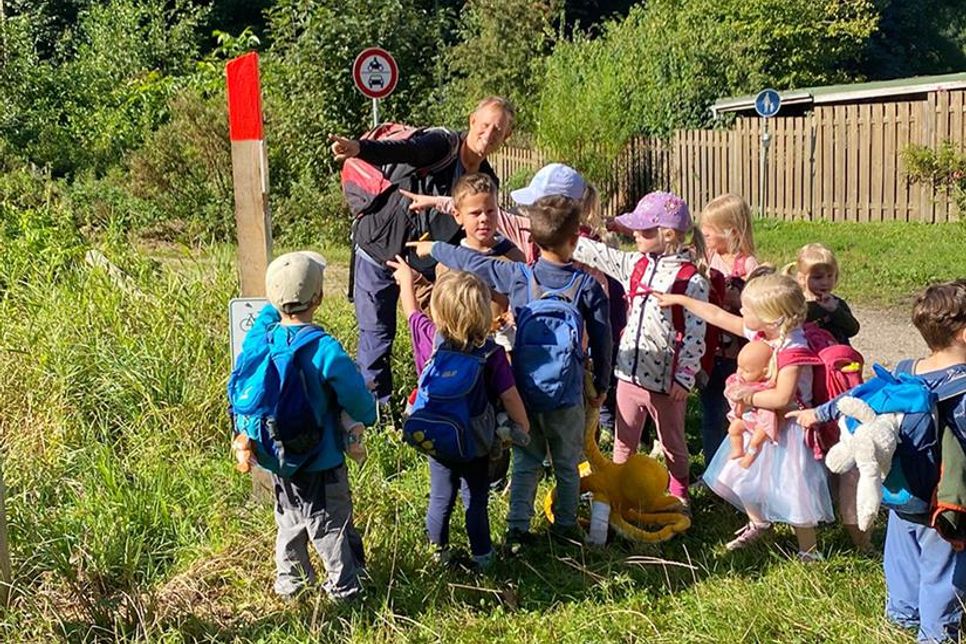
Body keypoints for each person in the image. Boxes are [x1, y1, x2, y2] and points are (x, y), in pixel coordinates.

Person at [408, 195, 612, 548]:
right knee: (566, 462)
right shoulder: (588, 287)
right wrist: (603, 384)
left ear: (531, 240)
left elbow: (470, 260)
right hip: (568, 393)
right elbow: (604, 339)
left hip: (524, 387)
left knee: (526, 460)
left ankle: (517, 526)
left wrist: (435, 249)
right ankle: (564, 527)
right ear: (575, 240)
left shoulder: (519, 277)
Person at [789, 280, 966, 642]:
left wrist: (817, 414)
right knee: (944, 571)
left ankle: (902, 615)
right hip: (942, 502)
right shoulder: (961, 389)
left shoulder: (905, 370)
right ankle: (936, 634)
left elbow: (856, 397)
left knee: (902, 556)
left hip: (899, 491)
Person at [329, 97, 515, 409]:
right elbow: (407, 150)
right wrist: (359, 148)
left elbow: (481, 230)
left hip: (425, 264)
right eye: (485, 125)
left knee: (443, 335)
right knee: (377, 338)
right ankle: (377, 417)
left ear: (506, 137)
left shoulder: (486, 181)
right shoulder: (442, 146)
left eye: (498, 130)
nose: (489, 134)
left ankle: (434, 406)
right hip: (378, 249)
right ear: (472, 121)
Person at [657, 273, 834, 560]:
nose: (740, 311)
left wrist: (745, 396)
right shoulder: (765, 334)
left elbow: (782, 398)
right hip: (756, 424)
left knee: (793, 489)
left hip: (786, 430)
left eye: (748, 310)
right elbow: (717, 315)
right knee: (741, 476)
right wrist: (681, 300)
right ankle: (760, 522)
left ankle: (809, 550)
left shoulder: (792, 349)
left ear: (773, 319)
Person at [249, 251, 377, 601]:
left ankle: (291, 584)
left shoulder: (265, 341)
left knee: (289, 521)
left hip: (279, 457)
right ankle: (344, 588)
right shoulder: (324, 348)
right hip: (322, 458)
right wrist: (369, 416)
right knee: (329, 522)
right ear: (318, 298)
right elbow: (355, 396)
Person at [387, 260, 530, 570]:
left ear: (438, 312)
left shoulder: (430, 339)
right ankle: (483, 557)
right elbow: (509, 394)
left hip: (436, 437)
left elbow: (411, 311)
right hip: (476, 442)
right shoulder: (491, 355)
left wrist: (406, 281)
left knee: (440, 497)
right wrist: (523, 425)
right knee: (475, 499)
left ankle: (436, 552)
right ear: (482, 313)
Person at [571, 191, 709, 504]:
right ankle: (621, 491)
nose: (635, 234)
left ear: (668, 234)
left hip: (666, 385)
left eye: (643, 230)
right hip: (628, 376)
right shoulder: (636, 264)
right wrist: (558, 233)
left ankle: (679, 494)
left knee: (673, 444)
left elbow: (694, 335)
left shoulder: (690, 281)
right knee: (623, 441)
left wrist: (684, 379)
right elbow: (599, 254)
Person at [696, 193, 760, 469]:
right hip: (709, 350)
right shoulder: (708, 258)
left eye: (708, 233)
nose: (704, 236)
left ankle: (739, 467)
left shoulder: (747, 265)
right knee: (710, 413)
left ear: (730, 232)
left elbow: (760, 302)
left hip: (738, 356)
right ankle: (713, 470)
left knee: (737, 414)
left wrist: (739, 297)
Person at [434, 172, 525, 351]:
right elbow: (442, 316)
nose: (484, 218)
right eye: (475, 213)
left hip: (506, 354)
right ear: (457, 215)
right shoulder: (448, 264)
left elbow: (522, 304)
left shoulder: (513, 257)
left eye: (490, 211)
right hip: (463, 353)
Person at [786, 243, 860, 346]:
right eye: (818, 277)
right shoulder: (797, 305)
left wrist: (835, 310)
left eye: (830, 276)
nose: (825, 282)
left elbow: (852, 330)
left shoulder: (835, 303)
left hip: (837, 356)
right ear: (802, 278)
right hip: (810, 355)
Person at [723, 340, 778, 469]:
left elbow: (769, 408)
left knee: (756, 439)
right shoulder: (740, 381)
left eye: (746, 371)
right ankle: (737, 449)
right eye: (739, 367)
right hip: (747, 418)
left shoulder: (765, 386)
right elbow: (730, 393)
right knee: (733, 428)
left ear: (764, 372)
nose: (740, 373)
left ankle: (750, 456)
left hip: (761, 422)